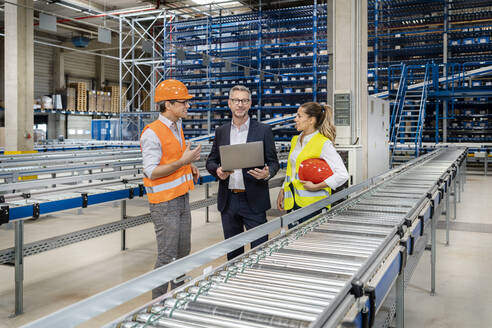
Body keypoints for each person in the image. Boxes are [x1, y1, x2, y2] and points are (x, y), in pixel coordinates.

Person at [140, 79, 201, 299]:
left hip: (181, 198)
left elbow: (174, 159)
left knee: (183, 254)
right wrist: (182, 161)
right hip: (165, 204)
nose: (187, 106)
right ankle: (156, 306)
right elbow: (151, 171)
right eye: (183, 102)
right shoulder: (152, 133)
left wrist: (189, 165)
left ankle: (177, 299)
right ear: (168, 104)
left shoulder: (177, 127)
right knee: (166, 257)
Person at [206, 85, 280, 261]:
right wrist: (217, 170)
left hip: (254, 200)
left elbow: (274, 162)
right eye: (236, 100)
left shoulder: (263, 130)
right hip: (229, 201)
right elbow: (211, 160)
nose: (240, 104)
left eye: (244, 101)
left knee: (260, 250)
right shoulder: (221, 131)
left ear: (250, 103)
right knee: (233, 253)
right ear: (229, 103)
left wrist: (267, 173)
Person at [277, 102, 349, 227]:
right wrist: (283, 189)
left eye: (299, 116)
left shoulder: (323, 143)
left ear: (311, 120)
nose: (295, 119)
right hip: (293, 201)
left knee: (311, 243)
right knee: (294, 241)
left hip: (313, 205)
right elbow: (291, 170)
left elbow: (342, 174)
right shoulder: (295, 140)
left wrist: (316, 186)